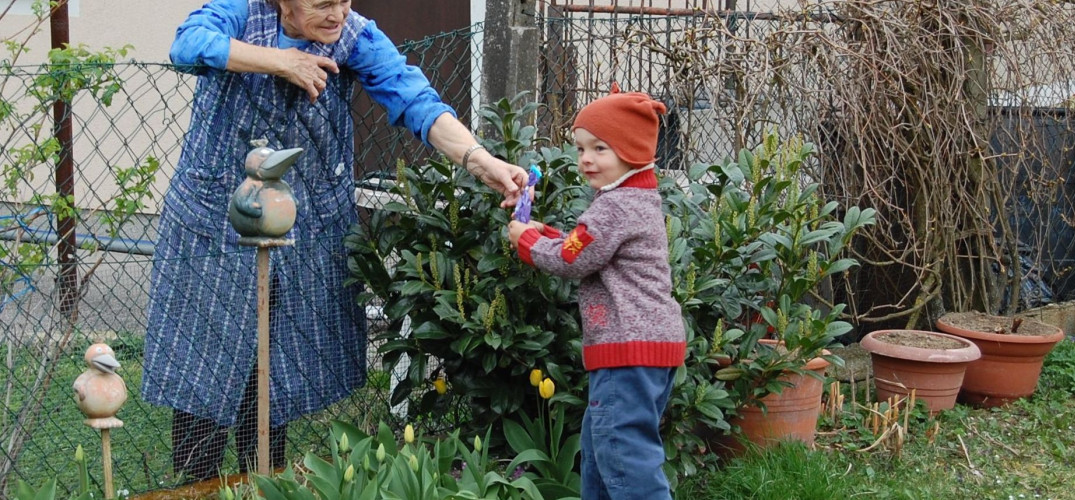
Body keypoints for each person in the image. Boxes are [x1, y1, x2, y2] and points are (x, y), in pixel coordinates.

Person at [143, 0, 528, 481]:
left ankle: (265, 483)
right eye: (323, 3)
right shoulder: (239, 14)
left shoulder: (355, 38)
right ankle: (194, 484)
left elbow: (415, 99)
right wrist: (283, 61)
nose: (338, 13)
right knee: (205, 366)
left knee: (273, 368)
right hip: (212, 222)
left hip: (298, 228)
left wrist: (480, 160)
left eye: (344, 0)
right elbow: (188, 45)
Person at [506, 88, 685, 499]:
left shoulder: (614, 207)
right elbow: (580, 245)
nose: (586, 159)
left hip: (628, 349)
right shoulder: (634, 198)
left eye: (600, 148)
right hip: (646, 347)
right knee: (604, 454)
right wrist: (539, 234)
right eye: (581, 147)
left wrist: (528, 242)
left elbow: (573, 259)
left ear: (633, 150)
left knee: (626, 460)